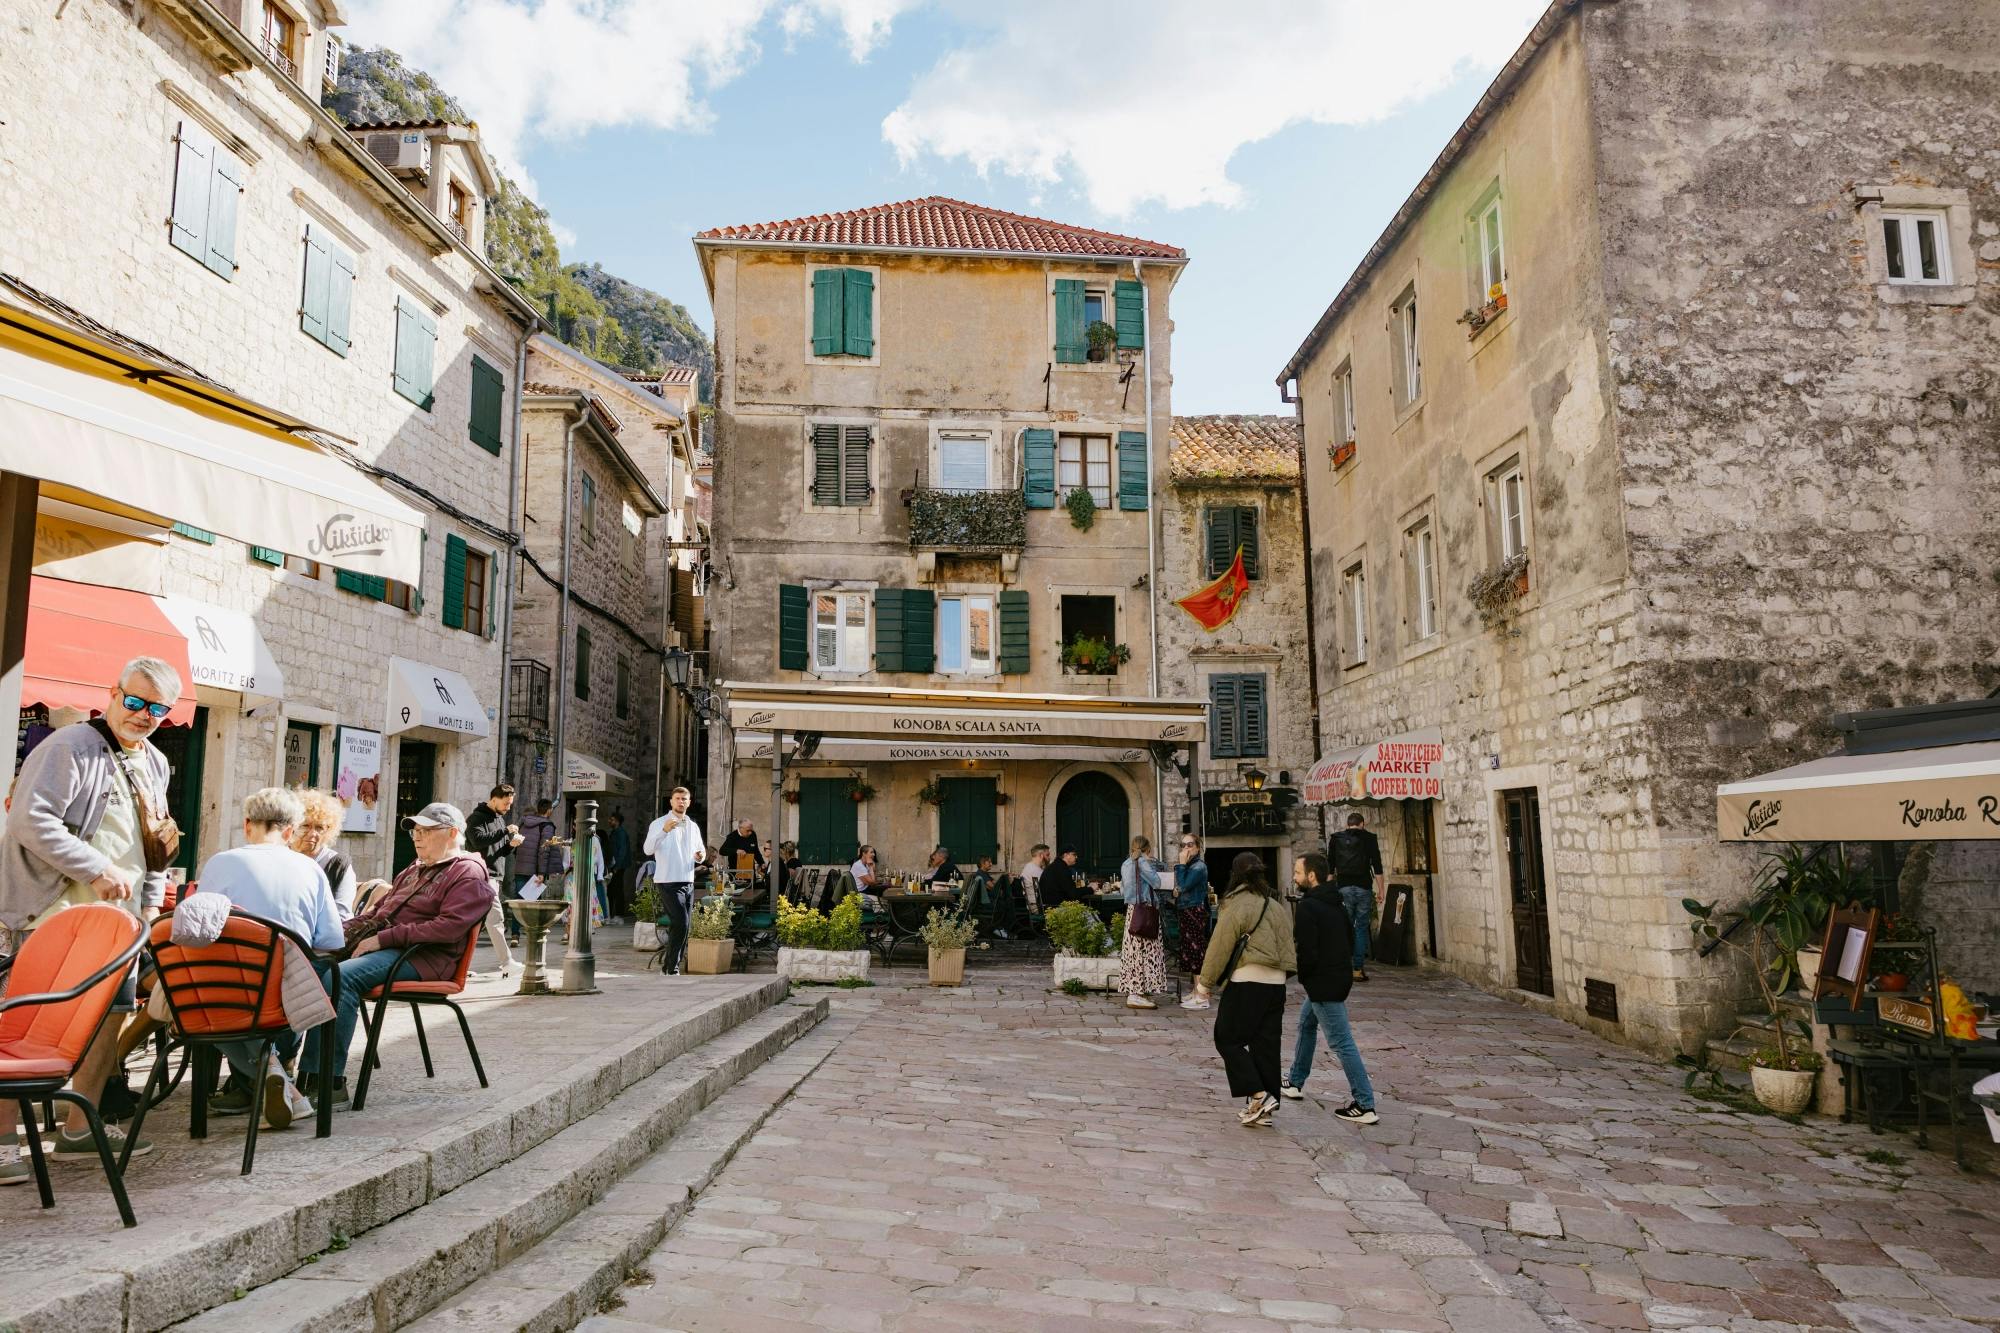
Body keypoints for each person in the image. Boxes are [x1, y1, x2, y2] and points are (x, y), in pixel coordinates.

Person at [0, 654, 180, 1175]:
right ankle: (3, 1140)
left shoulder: (156, 761)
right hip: (51, 908)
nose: (144, 715)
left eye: (157, 708)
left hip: (118, 920)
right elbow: (29, 819)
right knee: (22, 1019)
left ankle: (81, 1125)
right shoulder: (70, 746)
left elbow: (154, 841)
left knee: (110, 1016)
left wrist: (150, 900)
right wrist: (97, 866)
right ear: (113, 692)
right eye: (135, 701)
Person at [301, 803, 493, 1109]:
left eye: (426, 831)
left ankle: (326, 1080)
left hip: (422, 959)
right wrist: (332, 936)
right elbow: (378, 912)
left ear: (453, 833)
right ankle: (271, 1070)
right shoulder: (414, 869)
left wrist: (383, 939)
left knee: (342, 978)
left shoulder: (468, 874)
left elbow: (448, 929)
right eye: (416, 831)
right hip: (388, 948)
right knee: (300, 967)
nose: (417, 837)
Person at [193, 788, 344, 1130]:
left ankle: (268, 1074)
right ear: (290, 831)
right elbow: (332, 940)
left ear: (247, 825)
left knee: (193, 999)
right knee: (305, 975)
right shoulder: (310, 869)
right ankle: (282, 1078)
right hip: (290, 995)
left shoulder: (221, 862)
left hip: (231, 989)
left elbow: (201, 931)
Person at [1191, 852, 1296, 1128]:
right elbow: (1288, 944)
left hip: (1248, 979)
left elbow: (1221, 944)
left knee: (1227, 1038)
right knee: (1266, 1046)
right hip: (1277, 984)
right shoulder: (1275, 906)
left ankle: (1259, 1094)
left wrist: (1205, 983)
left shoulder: (1236, 904)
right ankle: (1263, 1108)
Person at [1282, 852, 1379, 1124]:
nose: (1294, 877)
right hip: (1336, 977)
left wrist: (1306, 978)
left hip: (1322, 984)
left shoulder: (1308, 907)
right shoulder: (1337, 902)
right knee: (1306, 1024)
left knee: (1342, 1042)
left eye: (1298, 872)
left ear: (1311, 876)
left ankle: (1365, 1103)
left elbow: (1306, 950)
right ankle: (1295, 1081)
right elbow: (1349, 939)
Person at [643, 788, 704, 974]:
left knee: (684, 926)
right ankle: (672, 968)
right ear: (671, 801)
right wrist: (664, 831)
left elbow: (700, 851)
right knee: (681, 923)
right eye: (677, 798)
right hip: (668, 881)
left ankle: (668, 967)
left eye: (684, 799)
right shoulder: (658, 823)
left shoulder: (693, 826)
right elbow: (647, 850)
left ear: (689, 802)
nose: (681, 802)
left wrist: (700, 856)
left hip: (688, 881)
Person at [463, 784, 521, 976]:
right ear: (494, 799)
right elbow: (478, 841)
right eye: (506, 803)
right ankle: (507, 962)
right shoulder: (476, 818)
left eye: (510, 804)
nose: (508, 808)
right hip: (481, 875)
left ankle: (459, 966)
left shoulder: (499, 820)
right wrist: (505, 832)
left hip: (494, 875)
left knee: (475, 926)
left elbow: (500, 850)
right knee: (496, 919)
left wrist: (511, 844)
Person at [1329, 811, 1384, 981]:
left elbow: (1330, 866)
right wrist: (1381, 889)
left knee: (1344, 927)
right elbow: (1377, 866)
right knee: (1360, 928)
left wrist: (1330, 890)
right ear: (1362, 824)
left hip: (1343, 888)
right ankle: (1357, 969)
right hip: (1363, 888)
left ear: (1347, 824)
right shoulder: (1369, 838)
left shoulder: (1336, 838)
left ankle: (1342, 967)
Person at [1117, 836, 1169, 1009]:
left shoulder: (1125, 864)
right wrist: (1148, 862)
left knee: (1134, 953)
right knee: (1147, 951)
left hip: (1133, 912)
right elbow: (1157, 882)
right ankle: (1137, 994)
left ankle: (1135, 990)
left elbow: (1124, 889)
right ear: (1148, 849)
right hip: (1145, 911)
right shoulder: (1143, 863)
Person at [292, 788, 358, 920]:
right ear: (292, 826)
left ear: (329, 830)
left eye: (319, 827)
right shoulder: (281, 856)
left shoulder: (338, 866)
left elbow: (341, 917)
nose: (312, 833)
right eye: (305, 826)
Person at [1173, 834, 1212, 974]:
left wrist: (1181, 864)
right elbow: (1180, 887)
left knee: (1196, 951)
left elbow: (1183, 885)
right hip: (1186, 909)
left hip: (1194, 910)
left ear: (1198, 847)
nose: (1186, 848)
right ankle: (1195, 990)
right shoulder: (1190, 865)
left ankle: (1201, 992)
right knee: (1189, 950)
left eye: (1190, 845)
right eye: (1183, 845)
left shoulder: (1198, 866)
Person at [717, 818, 764, 886]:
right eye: (748, 830)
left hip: (749, 871)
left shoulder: (753, 835)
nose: (750, 832)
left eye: (751, 830)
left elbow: (756, 851)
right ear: (740, 828)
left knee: (751, 891)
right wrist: (736, 850)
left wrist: (761, 863)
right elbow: (722, 850)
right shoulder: (732, 836)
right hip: (736, 873)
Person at [603, 811, 632, 920]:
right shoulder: (615, 832)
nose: (609, 821)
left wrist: (617, 867)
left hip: (618, 866)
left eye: (612, 820)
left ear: (617, 821)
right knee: (612, 889)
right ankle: (612, 913)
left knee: (617, 889)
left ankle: (619, 914)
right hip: (614, 865)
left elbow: (622, 851)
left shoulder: (620, 833)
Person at [1018, 844, 1051, 911]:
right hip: (1039, 907)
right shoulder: (1036, 871)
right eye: (1047, 855)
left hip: (1033, 905)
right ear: (1041, 856)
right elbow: (1049, 888)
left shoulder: (1029, 866)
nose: (1049, 858)